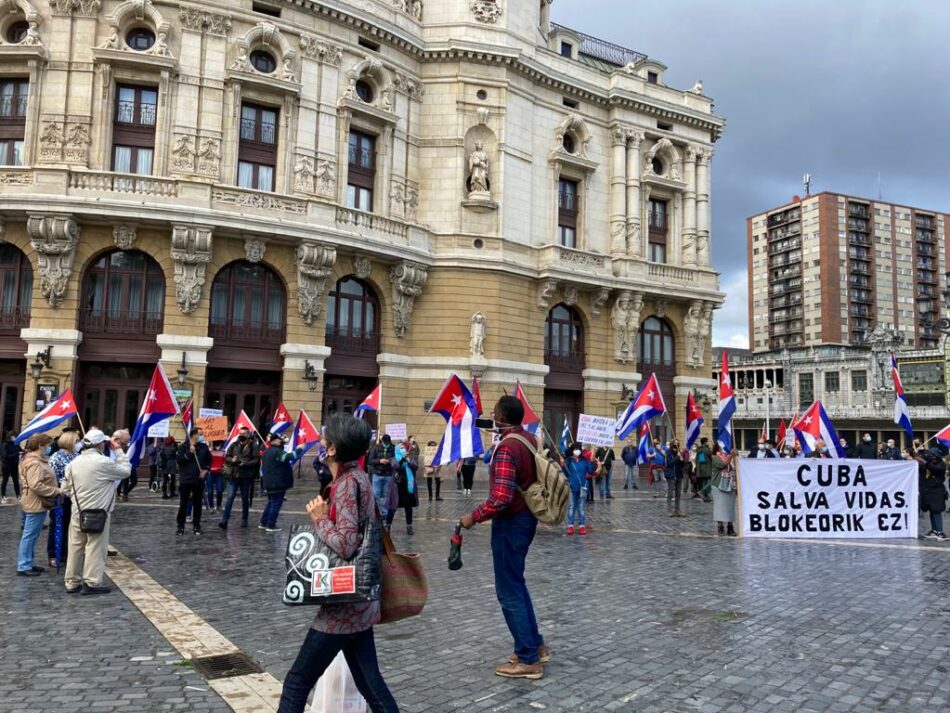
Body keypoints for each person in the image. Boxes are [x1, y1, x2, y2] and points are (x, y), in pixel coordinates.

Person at [277, 415, 399, 713]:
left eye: (324, 438)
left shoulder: (346, 484)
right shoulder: (357, 477)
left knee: (297, 682)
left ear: (332, 449)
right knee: (372, 685)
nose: (320, 440)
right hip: (360, 603)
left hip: (343, 606)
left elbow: (346, 543)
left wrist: (319, 518)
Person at [460, 395, 548, 679]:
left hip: (510, 523)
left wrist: (473, 517)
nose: (492, 416)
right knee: (517, 584)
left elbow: (500, 498)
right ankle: (535, 645)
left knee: (509, 590)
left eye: (495, 412)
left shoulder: (508, 448)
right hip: (527, 519)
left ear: (501, 416)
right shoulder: (530, 439)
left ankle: (527, 658)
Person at [61, 429, 132, 594]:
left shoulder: (73, 463)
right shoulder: (103, 462)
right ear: (100, 444)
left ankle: (71, 582)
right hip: (99, 512)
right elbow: (126, 470)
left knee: (75, 547)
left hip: (78, 510)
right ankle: (92, 582)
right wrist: (118, 450)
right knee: (95, 547)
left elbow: (65, 488)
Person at [17, 434, 64, 577]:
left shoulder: (33, 459)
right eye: (47, 445)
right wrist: (56, 491)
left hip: (35, 501)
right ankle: (24, 565)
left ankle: (28, 562)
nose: (49, 448)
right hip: (35, 502)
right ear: (40, 446)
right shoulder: (35, 463)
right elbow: (36, 485)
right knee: (29, 535)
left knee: (33, 534)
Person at [47, 430, 80, 568]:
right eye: (77, 441)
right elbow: (54, 478)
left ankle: (66, 553)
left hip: (75, 495)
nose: (79, 443)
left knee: (70, 526)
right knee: (57, 525)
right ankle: (54, 554)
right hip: (61, 496)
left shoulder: (77, 455)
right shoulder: (57, 457)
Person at [260, 432, 302, 532]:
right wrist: (300, 449)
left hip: (269, 482)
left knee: (271, 502)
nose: (281, 441)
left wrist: (283, 443)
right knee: (276, 503)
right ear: (274, 441)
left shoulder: (267, 451)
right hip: (277, 483)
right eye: (279, 439)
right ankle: (271, 524)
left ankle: (264, 521)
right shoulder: (277, 452)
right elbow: (288, 456)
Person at [219, 426, 260, 529]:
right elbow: (226, 456)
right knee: (230, 497)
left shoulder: (253, 445)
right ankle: (225, 519)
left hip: (246, 476)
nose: (242, 435)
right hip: (234, 475)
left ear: (248, 434)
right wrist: (232, 460)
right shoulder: (234, 444)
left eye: (244, 434)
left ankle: (244, 519)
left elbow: (256, 460)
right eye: (240, 434)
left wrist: (245, 463)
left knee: (245, 498)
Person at [176, 429, 211, 536]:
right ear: (193, 435)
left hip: (198, 480)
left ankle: (196, 526)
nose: (201, 436)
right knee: (184, 504)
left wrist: (205, 470)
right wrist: (189, 453)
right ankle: (180, 526)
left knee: (198, 504)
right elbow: (180, 460)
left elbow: (209, 460)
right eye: (200, 435)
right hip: (186, 479)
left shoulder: (204, 447)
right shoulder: (183, 446)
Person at [914, 445, 947, 540]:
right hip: (928, 491)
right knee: (931, 511)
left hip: (937, 491)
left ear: (936, 456)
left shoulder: (941, 464)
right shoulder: (928, 463)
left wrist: (924, 462)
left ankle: (940, 532)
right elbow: (921, 470)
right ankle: (934, 530)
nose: (929, 456)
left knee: (937, 511)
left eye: (931, 454)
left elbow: (935, 469)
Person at [386, 441, 419, 535]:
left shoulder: (410, 457)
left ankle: (409, 526)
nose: (403, 449)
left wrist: (408, 460)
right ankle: (388, 525)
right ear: (397, 449)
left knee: (408, 507)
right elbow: (396, 466)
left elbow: (415, 466)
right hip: (396, 487)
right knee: (392, 507)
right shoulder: (393, 459)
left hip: (407, 486)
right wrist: (402, 459)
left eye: (404, 447)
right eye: (401, 448)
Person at [562, 446, 593, 535]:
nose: (577, 451)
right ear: (572, 451)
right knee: (571, 506)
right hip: (572, 486)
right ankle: (570, 525)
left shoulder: (585, 461)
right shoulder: (569, 461)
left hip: (582, 487)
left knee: (581, 507)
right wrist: (563, 465)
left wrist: (591, 461)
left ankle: (582, 525)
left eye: (578, 449)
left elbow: (590, 471)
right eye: (575, 449)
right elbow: (566, 473)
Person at [710, 445, 738, 536]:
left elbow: (736, 467)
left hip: (730, 485)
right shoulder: (714, 458)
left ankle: (730, 527)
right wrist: (731, 456)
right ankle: (720, 526)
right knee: (720, 507)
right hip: (719, 485)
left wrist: (735, 457)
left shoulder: (729, 457)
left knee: (730, 507)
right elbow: (722, 464)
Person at [368, 434, 395, 520]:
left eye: (388, 443)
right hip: (377, 474)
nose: (386, 444)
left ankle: (384, 513)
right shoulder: (376, 448)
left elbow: (396, 460)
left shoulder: (393, 448)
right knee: (376, 494)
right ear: (382, 441)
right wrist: (379, 461)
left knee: (386, 495)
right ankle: (376, 511)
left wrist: (390, 461)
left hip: (388, 474)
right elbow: (370, 460)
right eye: (385, 442)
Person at [664, 438, 685, 517]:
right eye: (675, 443)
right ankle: (669, 510)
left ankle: (677, 509)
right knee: (670, 493)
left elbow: (682, 465)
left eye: (678, 443)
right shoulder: (668, 452)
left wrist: (682, 460)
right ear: (672, 444)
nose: (677, 444)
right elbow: (669, 463)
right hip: (671, 475)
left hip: (679, 474)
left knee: (678, 493)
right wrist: (677, 458)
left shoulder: (678, 452)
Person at [1, 431, 21, 504]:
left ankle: (18, 495)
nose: (14, 437)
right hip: (6, 465)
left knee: (16, 481)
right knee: (5, 481)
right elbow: (5, 456)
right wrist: (17, 454)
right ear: (9, 436)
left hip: (14, 465)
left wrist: (24, 451)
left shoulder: (16, 444)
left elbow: (20, 450)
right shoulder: (5, 445)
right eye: (13, 436)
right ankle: (3, 496)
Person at [206, 442, 226, 513]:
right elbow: (206, 460)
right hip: (210, 473)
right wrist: (209, 451)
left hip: (219, 473)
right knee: (210, 491)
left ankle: (219, 505)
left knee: (220, 490)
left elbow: (224, 461)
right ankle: (211, 507)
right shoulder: (209, 449)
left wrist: (223, 467)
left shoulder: (223, 450)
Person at [694, 437, 713, 503]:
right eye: (707, 441)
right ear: (705, 442)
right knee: (711, 482)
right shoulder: (705, 449)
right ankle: (702, 491)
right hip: (706, 468)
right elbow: (711, 456)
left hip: (700, 469)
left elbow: (699, 460)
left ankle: (705, 496)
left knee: (704, 482)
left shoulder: (699, 450)